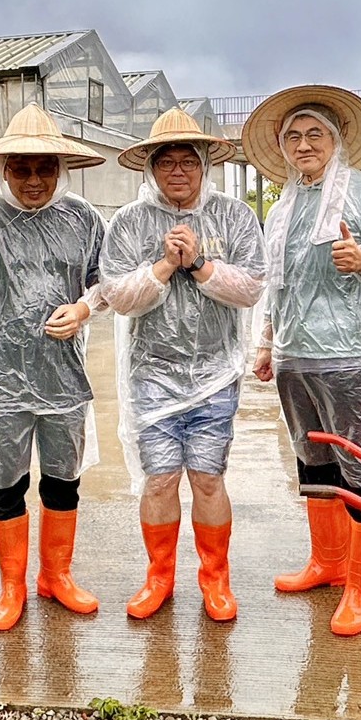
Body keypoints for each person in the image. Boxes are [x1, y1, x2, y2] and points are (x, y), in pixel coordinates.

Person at [243, 85, 361, 637]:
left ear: (337, 140)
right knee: (311, 458)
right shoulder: (283, 208)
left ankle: (360, 588)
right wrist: (267, 342)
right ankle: (327, 562)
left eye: (315, 133)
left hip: (347, 353)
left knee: (358, 461)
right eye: (294, 136)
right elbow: (278, 285)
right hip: (294, 356)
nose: (304, 144)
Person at [0, 102, 106, 632]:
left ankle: (56, 576)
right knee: (5, 484)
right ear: (3, 171)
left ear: (60, 168)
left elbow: (105, 280)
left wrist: (84, 309)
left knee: (62, 479)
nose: (33, 180)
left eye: (44, 168)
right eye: (21, 168)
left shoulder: (83, 217)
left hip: (62, 374)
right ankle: (12, 586)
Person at [100, 107, 265, 622]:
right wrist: (165, 265)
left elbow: (252, 286)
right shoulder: (129, 223)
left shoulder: (234, 217)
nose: (177, 171)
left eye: (187, 161)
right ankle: (159, 578)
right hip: (152, 376)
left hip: (216, 375)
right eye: (166, 162)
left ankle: (216, 579)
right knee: (160, 480)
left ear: (203, 166)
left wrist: (198, 264)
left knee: (208, 479)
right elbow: (118, 295)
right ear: (151, 168)